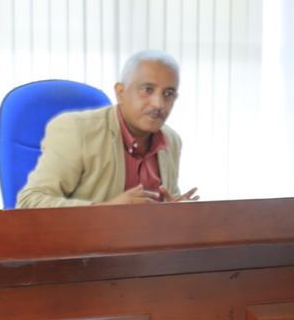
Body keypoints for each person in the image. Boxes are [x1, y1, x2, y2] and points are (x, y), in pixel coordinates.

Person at [16, 49, 199, 208]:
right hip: (86, 237)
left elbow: (165, 203)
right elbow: (29, 201)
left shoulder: (171, 141)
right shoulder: (77, 131)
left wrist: (175, 212)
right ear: (120, 92)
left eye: (168, 94)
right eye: (147, 90)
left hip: (144, 238)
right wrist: (105, 210)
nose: (158, 104)